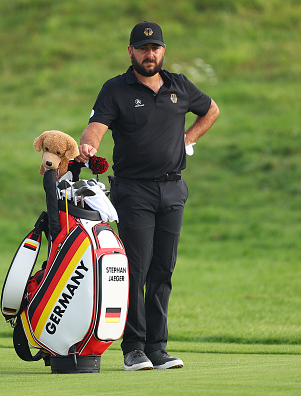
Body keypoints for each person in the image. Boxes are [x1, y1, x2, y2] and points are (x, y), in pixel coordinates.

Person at [76, 21, 219, 371]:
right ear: (131, 52)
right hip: (133, 189)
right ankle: (134, 348)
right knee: (136, 270)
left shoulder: (179, 86)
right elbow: (96, 129)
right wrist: (87, 146)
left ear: (163, 50)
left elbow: (211, 110)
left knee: (162, 269)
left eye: (155, 48)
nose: (149, 53)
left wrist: (186, 141)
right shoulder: (116, 89)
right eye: (142, 48)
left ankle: (158, 347)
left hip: (173, 188)